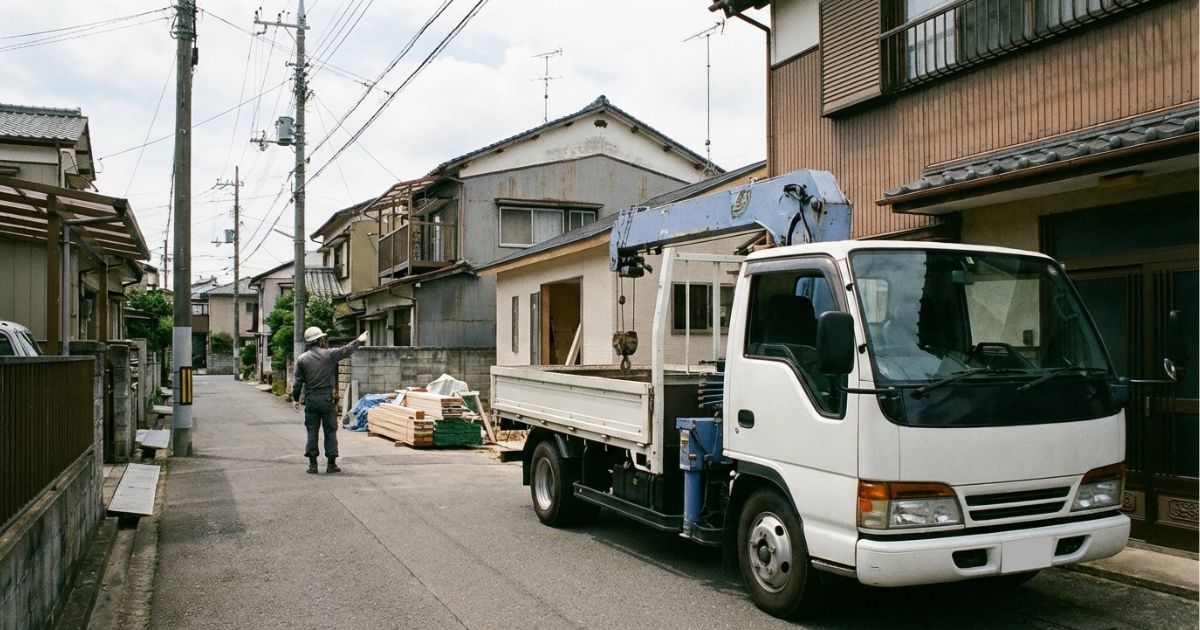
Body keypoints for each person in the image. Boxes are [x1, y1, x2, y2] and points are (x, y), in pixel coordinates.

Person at [293, 326, 368, 473]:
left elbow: (297, 383)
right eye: (323, 338)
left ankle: (313, 464)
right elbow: (346, 350)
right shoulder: (329, 354)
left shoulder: (302, 359)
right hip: (327, 399)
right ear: (319, 340)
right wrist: (359, 340)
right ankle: (331, 464)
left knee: (312, 431)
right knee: (330, 431)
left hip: (311, 400)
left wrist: (296, 399)